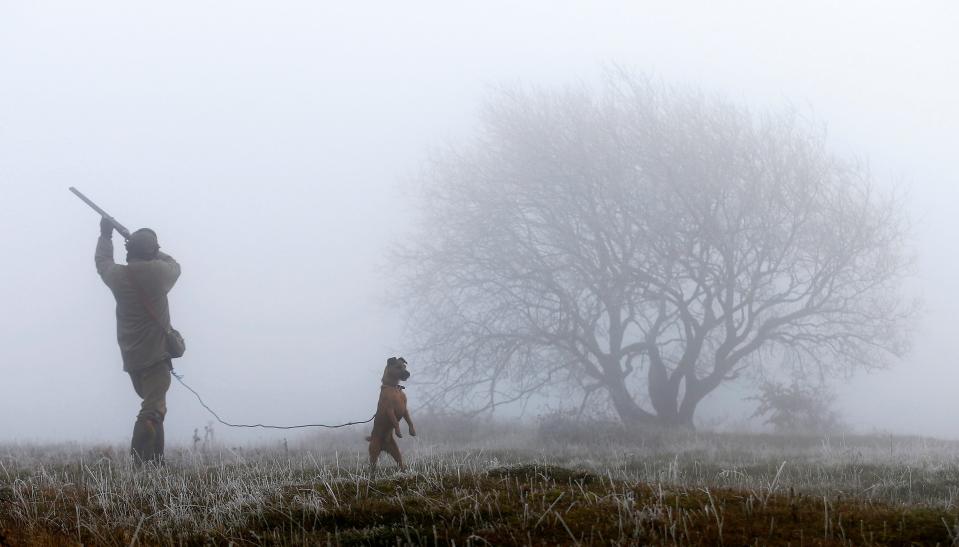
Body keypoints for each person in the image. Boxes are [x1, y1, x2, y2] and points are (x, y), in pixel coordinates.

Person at [95, 217, 181, 465]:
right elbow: (174, 264)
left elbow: (102, 262)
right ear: (152, 250)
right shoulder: (159, 272)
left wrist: (106, 236)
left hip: (132, 359)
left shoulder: (119, 276)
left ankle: (153, 462)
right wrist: (148, 247)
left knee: (152, 405)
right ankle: (143, 464)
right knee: (152, 410)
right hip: (156, 357)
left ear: (129, 251)